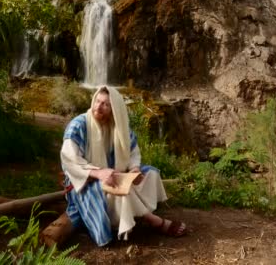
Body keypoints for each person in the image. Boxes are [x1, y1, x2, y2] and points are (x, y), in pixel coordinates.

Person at [60, 85, 187, 246]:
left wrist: (134, 169)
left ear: (114, 109)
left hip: (115, 173)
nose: (98, 107)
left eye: (105, 104)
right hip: (84, 180)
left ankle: (135, 211)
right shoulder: (79, 125)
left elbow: (133, 152)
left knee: (151, 174)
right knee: (118, 190)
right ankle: (153, 220)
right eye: (97, 101)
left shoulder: (119, 126)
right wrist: (99, 173)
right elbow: (69, 160)